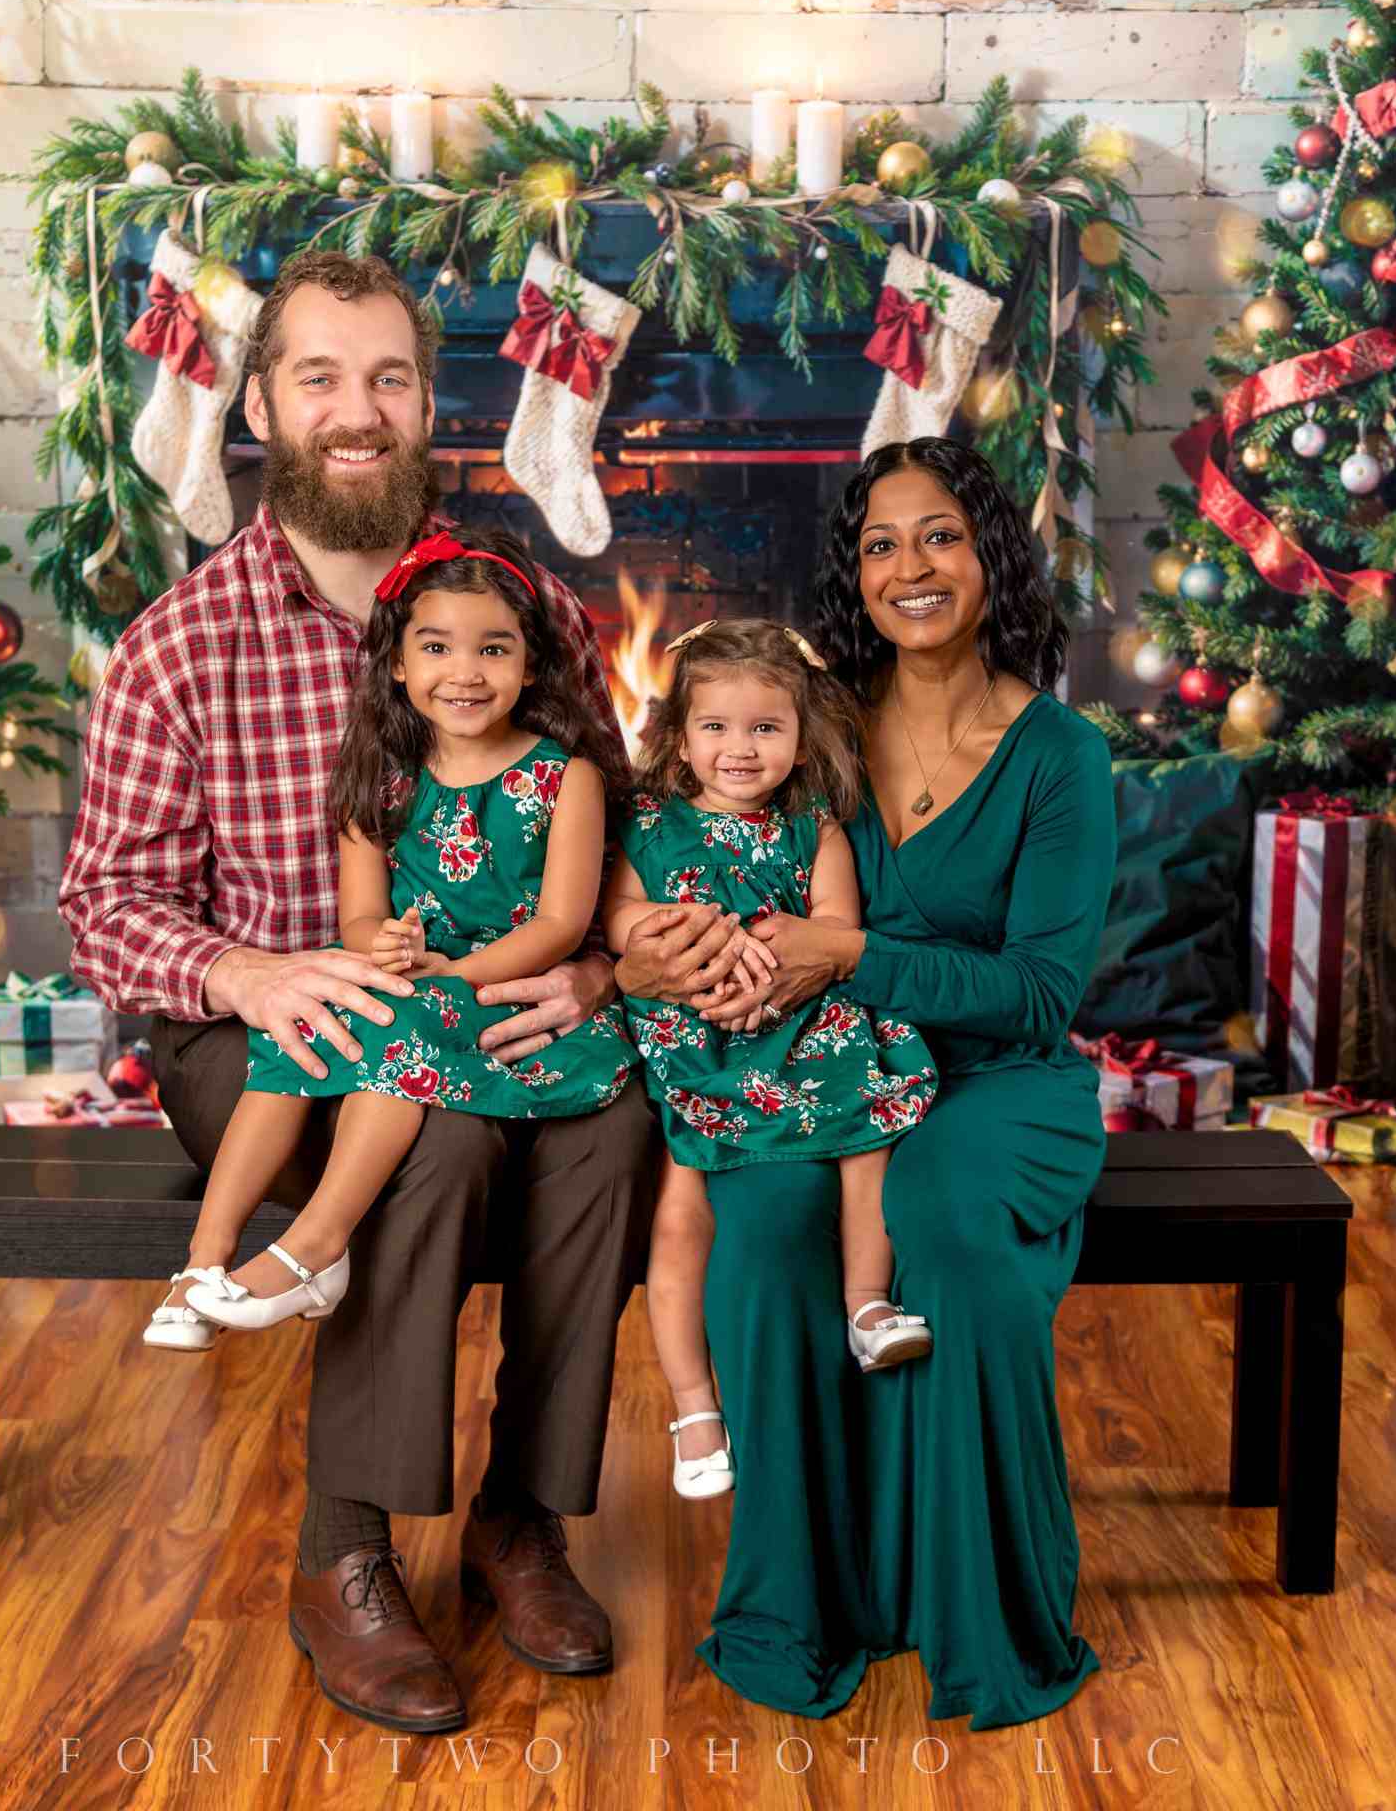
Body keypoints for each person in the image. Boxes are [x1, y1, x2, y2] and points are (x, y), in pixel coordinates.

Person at [60, 251, 750, 1735]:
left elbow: (609, 828)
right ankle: (345, 1550)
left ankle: (520, 1516)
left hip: (497, 997)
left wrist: (587, 968)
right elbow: (104, 905)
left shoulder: (524, 611)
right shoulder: (178, 645)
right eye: (319, 376)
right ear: (262, 404)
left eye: (387, 379)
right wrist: (248, 967)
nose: (355, 412)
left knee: (615, 1125)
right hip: (264, 1035)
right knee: (425, 1136)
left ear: (428, 407)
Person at [614, 437, 1118, 1731]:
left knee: (939, 1223)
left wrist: (848, 953)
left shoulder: (1057, 754)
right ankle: (799, 1601)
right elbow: (686, 859)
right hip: (810, 1068)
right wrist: (667, 959)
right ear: (852, 571)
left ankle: (978, 1610)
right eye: (879, 543)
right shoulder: (809, 721)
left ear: (987, 552)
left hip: (996, 1081)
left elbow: (1038, 995)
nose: (910, 565)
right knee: (766, 1227)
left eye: (937, 534)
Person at [142, 527, 639, 1345]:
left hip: (512, 1001)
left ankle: (316, 1245)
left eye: (493, 648)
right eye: (436, 646)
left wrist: (454, 976)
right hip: (421, 987)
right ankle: (202, 1259)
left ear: (530, 665)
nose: (465, 672)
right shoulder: (377, 777)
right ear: (400, 664)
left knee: (392, 1039)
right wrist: (385, 950)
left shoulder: (566, 777)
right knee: (298, 1025)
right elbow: (360, 918)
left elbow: (558, 926)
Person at [603, 618, 939, 1502]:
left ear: (800, 736)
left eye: (765, 729)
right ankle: (692, 1406)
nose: (740, 749)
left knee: (868, 1131)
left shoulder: (811, 827)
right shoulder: (646, 825)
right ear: (678, 738)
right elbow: (617, 919)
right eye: (715, 727)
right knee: (680, 1214)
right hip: (693, 1026)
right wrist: (698, 939)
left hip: (795, 1019)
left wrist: (782, 959)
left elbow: (836, 929)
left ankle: (867, 1304)